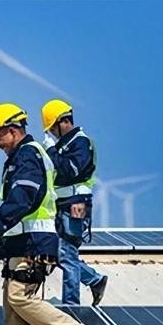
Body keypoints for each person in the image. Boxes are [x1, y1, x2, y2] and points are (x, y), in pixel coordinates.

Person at [0, 103, 90, 325]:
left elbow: (24, 194)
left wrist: (1, 223)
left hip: (34, 241)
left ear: (12, 130)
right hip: (21, 242)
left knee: (20, 297)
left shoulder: (28, 155)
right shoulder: (23, 155)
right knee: (12, 301)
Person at [41, 99, 108, 306]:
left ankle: (71, 307)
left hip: (76, 204)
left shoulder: (80, 142)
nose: (52, 133)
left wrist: (51, 152)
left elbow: (69, 171)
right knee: (60, 253)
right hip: (63, 204)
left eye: (53, 128)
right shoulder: (64, 145)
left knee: (67, 255)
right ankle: (95, 280)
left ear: (63, 122)